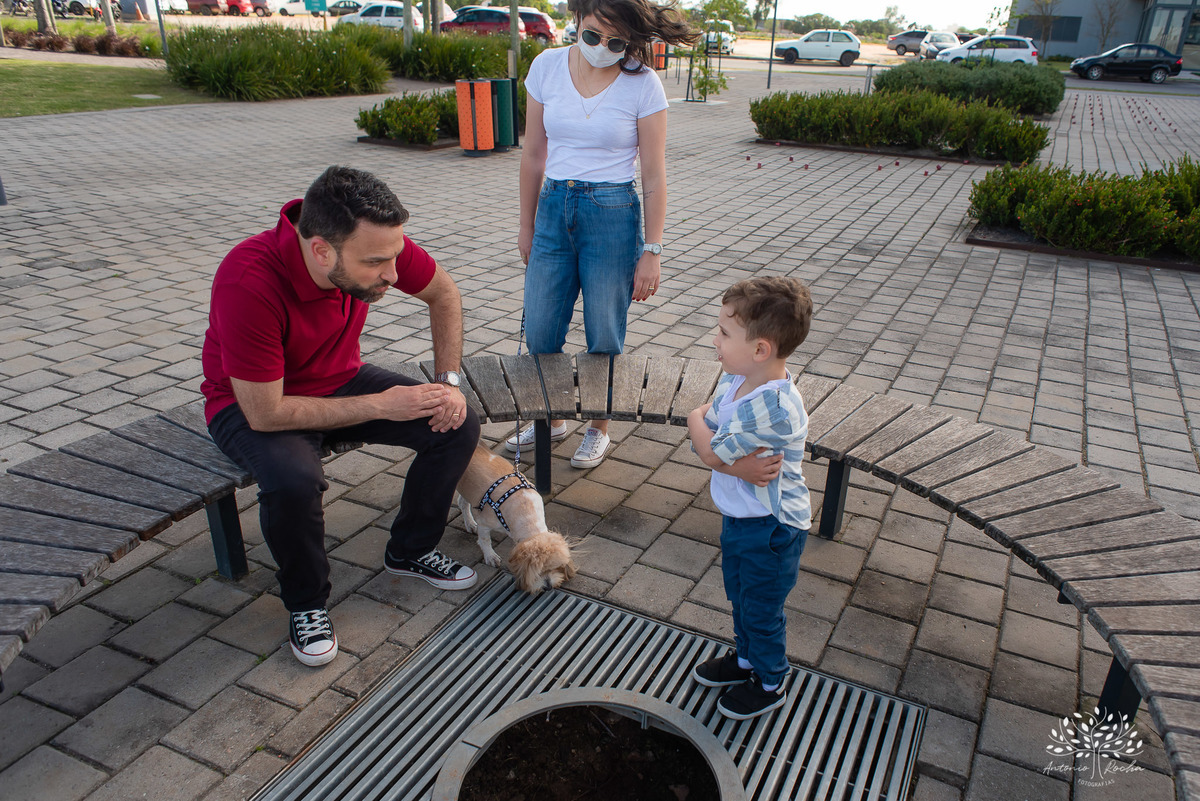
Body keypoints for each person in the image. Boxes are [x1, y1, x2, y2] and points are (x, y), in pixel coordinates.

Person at [201, 166, 481, 668]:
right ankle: (306, 602)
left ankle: (410, 550)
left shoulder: (372, 239)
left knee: (454, 421)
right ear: (320, 251)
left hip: (338, 380)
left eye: (394, 257)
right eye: (376, 263)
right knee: (293, 481)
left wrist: (448, 383)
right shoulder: (248, 279)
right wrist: (382, 404)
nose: (392, 275)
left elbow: (444, 293)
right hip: (250, 405)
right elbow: (266, 413)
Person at [509, 0, 698, 468]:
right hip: (553, 208)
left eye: (617, 43)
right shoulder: (546, 67)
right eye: (592, 36)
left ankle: (599, 424)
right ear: (578, 20)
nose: (601, 48)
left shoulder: (642, 83)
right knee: (540, 327)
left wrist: (651, 250)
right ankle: (549, 416)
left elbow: (654, 175)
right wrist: (527, 223)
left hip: (612, 214)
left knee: (604, 331)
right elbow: (533, 153)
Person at [686, 276, 814, 719]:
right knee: (741, 594)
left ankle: (770, 679)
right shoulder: (739, 383)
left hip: (771, 527)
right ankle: (745, 660)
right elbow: (709, 442)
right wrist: (727, 459)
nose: (714, 340)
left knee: (761, 606)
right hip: (743, 518)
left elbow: (706, 443)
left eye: (723, 333)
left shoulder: (770, 405)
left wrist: (696, 422)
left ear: (760, 349)